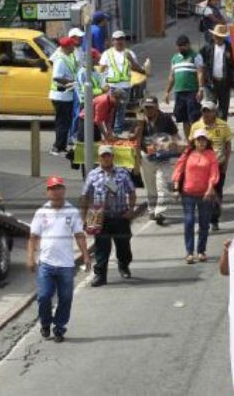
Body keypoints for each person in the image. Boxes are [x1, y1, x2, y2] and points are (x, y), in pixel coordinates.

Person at [29, 176, 89, 342]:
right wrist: (30, 257)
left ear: (64, 190)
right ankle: (46, 323)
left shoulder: (72, 211)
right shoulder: (41, 213)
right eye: (53, 188)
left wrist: (85, 255)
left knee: (66, 298)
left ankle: (59, 328)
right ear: (48, 192)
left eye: (59, 188)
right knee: (43, 296)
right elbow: (33, 237)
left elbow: (79, 234)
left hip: (66, 265)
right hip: (46, 264)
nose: (56, 191)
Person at [80, 145, 137, 286]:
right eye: (103, 156)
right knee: (101, 248)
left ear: (113, 157)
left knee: (123, 246)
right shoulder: (93, 175)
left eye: (108, 155)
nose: (106, 158)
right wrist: (84, 217)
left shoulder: (122, 173)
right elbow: (85, 196)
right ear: (99, 158)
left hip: (120, 216)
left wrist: (131, 210)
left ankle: (124, 265)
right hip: (100, 217)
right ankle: (100, 275)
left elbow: (132, 192)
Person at [172, 128, 220, 264]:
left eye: (203, 140)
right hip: (188, 193)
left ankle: (201, 250)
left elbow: (214, 173)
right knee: (189, 222)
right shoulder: (188, 153)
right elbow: (178, 170)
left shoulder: (211, 155)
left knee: (204, 223)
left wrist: (210, 189)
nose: (201, 142)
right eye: (199, 139)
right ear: (194, 141)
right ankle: (189, 252)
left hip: (205, 194)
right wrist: (176, 188)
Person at [190, 100, 233, 230]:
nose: (206, 114)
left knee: (217, 192)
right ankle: (204, 218)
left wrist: (226, 162)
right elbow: (191, 145)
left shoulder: (223, 125)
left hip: (218, 165)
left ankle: (214, 219)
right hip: (201, 167)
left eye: (209, 111)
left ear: (215, 112)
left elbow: (227, 145)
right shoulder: (196, 126)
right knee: (202, 193)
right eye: (204, 111)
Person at [137, 96, 179, 225]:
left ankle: (160, 211)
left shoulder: (166, 118)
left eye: (151, 108)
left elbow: (175, 135)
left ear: (157, 107)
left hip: (163, 157)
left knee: (163, 185)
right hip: (146, 156)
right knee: (150, 187)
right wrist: (136, 158)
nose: (149, 110)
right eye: (146, 108)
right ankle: (151, 210)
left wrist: (171, 144)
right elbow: (136, 140)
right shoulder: (140, 120)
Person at [99, 30, 147, 133]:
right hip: (111, 87)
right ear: (113, 41)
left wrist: (132, 60)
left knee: (121, 110)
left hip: (125, 86)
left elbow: (136, 68)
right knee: (110, 110)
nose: (119, 41)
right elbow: (101, 70)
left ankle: (117, 131)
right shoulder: (107, 54)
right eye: (117, 39)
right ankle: (109, 130)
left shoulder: (129, 53)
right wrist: (103, 85)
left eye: (121, 39)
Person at [164, 34, 205, 139]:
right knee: (184, 119)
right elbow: (171, 76)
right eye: (178, 46)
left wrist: (201, 89)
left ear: (188, 45)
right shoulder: (174, 58)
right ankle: (189, 142)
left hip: (192, 92)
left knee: (194, 118)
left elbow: (200, 73)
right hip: (179, 93)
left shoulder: (196, 56)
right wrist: (167, 92)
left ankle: (198, 140)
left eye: (183, 46)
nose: (180, 48)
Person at [200, 24, 234, 120]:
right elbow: (201, 66)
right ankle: (210, 128)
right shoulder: (206, 48)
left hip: (225, 83)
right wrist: (201, 84)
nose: (218, 38)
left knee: (223, 109)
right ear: (213, 36)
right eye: (216, 36)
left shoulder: (230, 48)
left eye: (220, 37)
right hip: (210, 82)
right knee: (210, 107)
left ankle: (221, 130)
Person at [48, 37, 78, 156]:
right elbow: (57, 77)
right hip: (60, 96)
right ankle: (57, 147)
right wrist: (71, 82)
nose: (73, 47)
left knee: (66, 122)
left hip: (66, 95)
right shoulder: (60, 59)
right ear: (66, 47)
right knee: (62, 122)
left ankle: (61, 146)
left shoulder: (67, 57)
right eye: (72, 45)